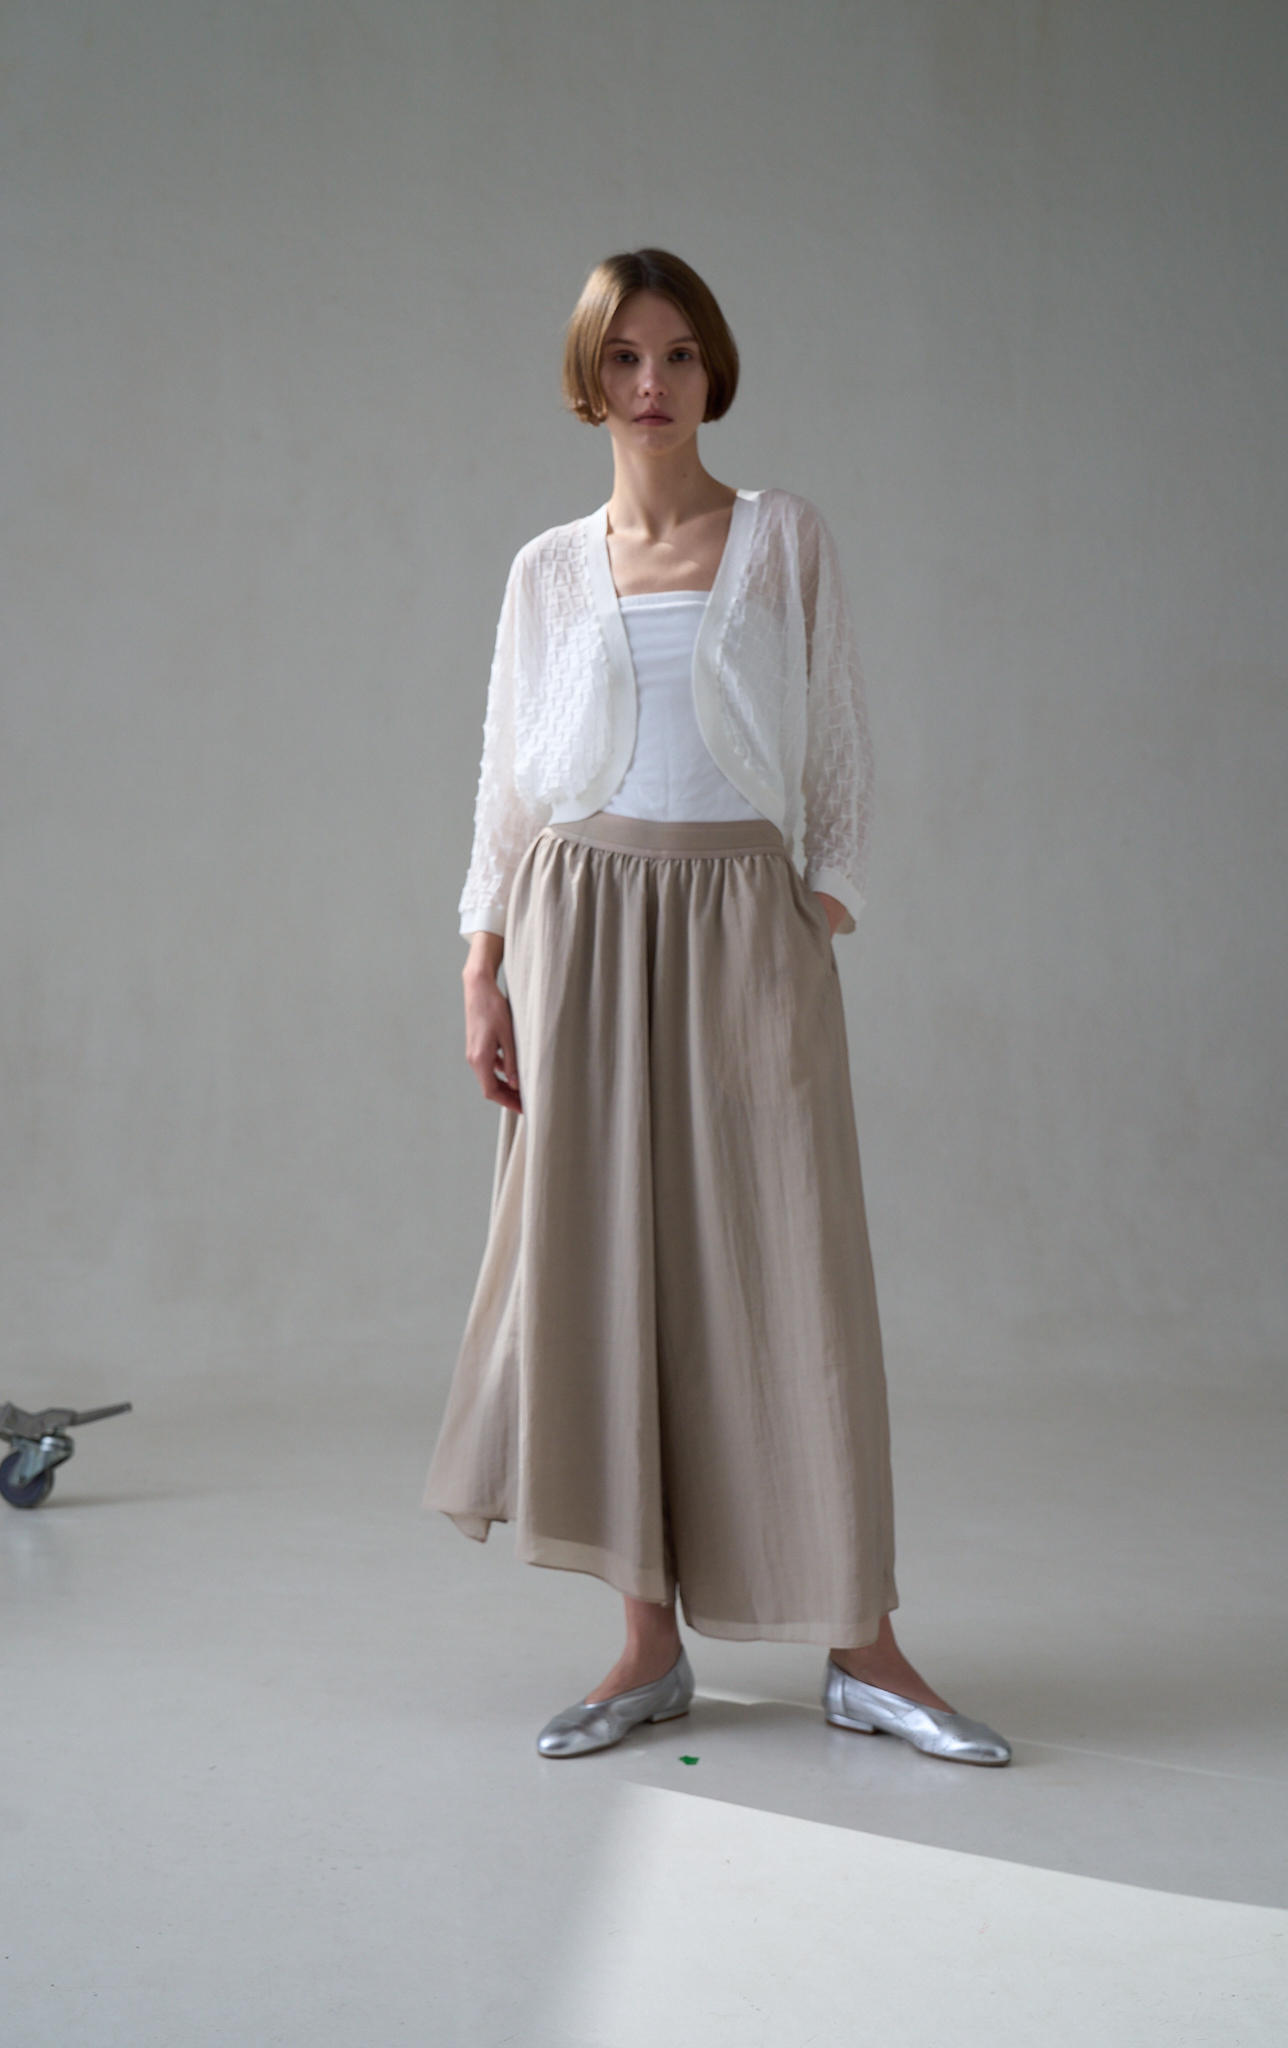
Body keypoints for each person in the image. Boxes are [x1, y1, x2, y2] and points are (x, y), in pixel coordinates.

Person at [424, 249, 1009, 1768]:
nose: (653, 384)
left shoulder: (781, 537)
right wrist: (484, 961)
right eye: (625, 357)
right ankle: (644, 1646)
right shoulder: (546, 569)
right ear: (588, 381)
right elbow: (505, 777)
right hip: (576, 925)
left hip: (745, 923)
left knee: (790, 1279)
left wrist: (818, 906)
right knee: (608, 1276)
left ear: (712, 373)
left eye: (679, 355)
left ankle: (863, 1649)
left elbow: (841, 742)